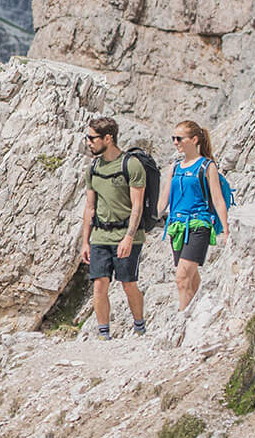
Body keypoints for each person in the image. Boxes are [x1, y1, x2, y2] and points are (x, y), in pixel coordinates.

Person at [75, 116, 148, 340]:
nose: (88, 142)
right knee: (99, 283)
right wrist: (85, 242)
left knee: (128, 283)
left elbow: (137, 206)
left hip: (126, 235)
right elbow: (90, 207)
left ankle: (139, 326)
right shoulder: (93, 168)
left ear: (108, 138)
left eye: (92, 138)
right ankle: (103, 334)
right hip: (100, 235)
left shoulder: (131, 165)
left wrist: (128, 237)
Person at [164, 119, 231, 317]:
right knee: (191, 280)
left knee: (182, 278)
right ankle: (200, 315)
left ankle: (181, 322)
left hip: (199, 224)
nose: (175, 142)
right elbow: (165, 198)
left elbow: (218, 200)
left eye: (179, 138)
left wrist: (226, 229)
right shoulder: (174, 168)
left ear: (194, 140)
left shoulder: (207, 166)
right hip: (176, 226)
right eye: (173, 138)